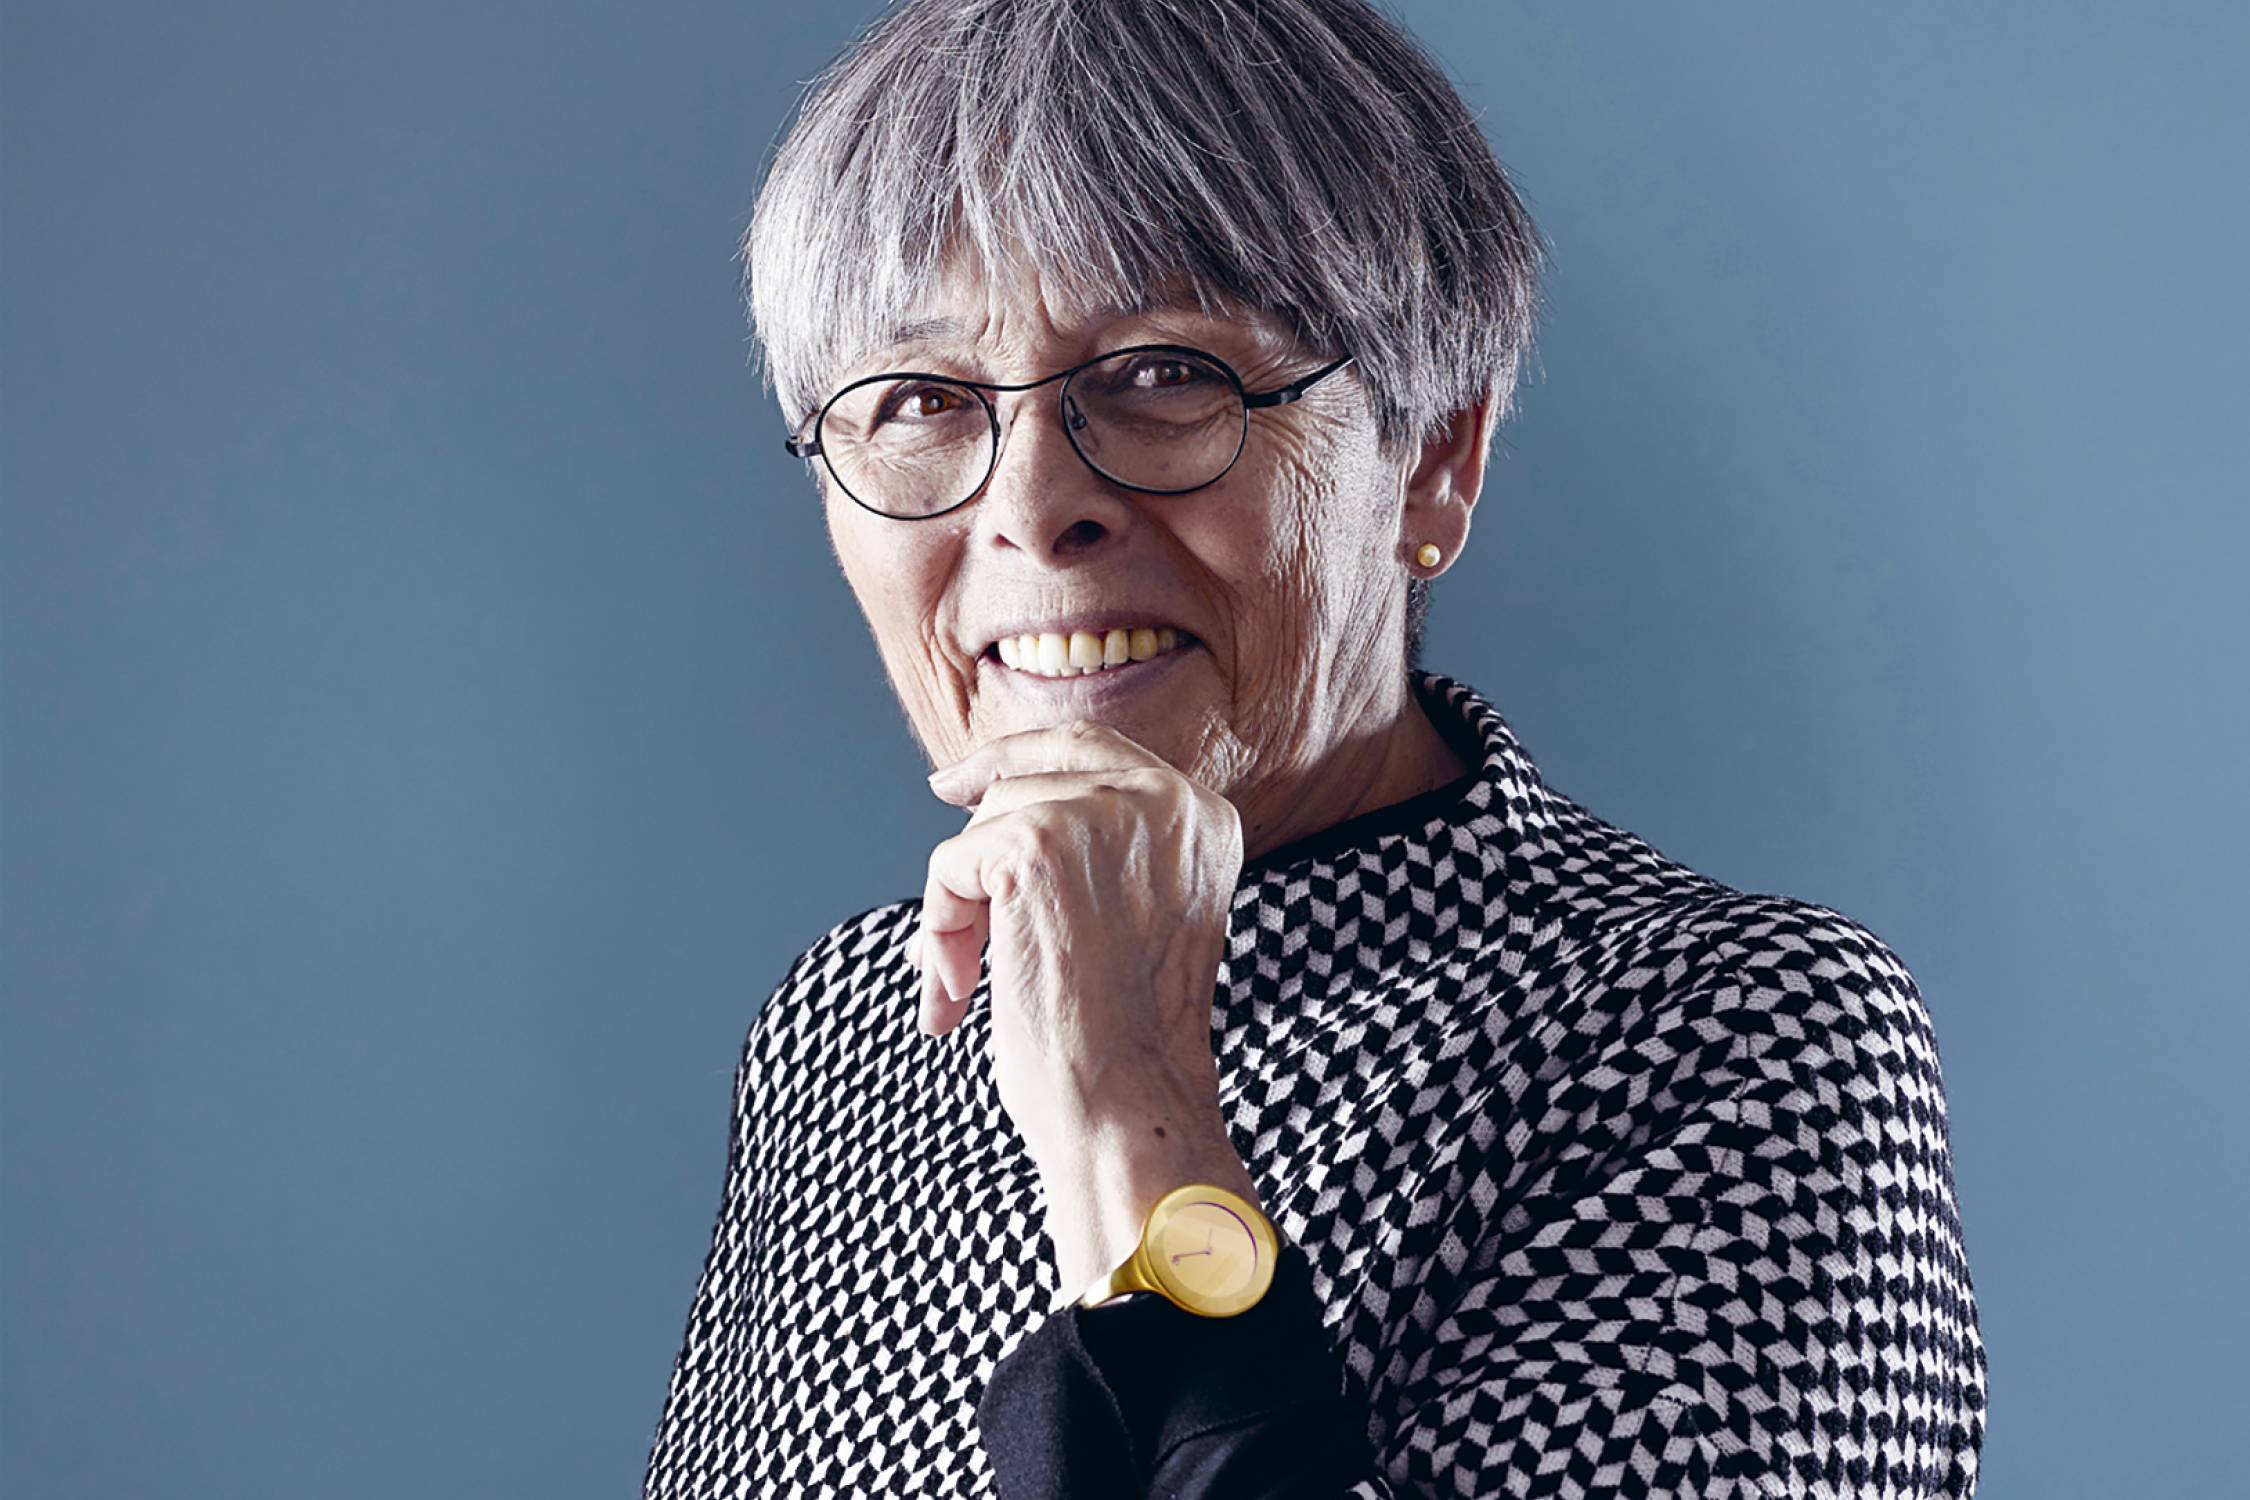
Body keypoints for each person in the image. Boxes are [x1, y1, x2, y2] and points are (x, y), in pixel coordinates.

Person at [644, 0, 1986, 1495]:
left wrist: (1124, 1106)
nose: (1030, 506)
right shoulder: (843, 1033)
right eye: (920, 400)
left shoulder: (1730, 1036)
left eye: (1164, 373)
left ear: (1433, 457)